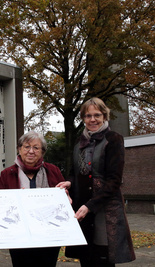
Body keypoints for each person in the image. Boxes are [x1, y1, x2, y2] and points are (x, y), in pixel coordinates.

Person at [57, 98, 135, 266]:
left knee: (103, 258)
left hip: (104, 210)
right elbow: (73, 172)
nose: (92, 119)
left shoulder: (113, 139)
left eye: (97, 115)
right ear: (83, 118)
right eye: (88, 115)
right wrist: (69, 182)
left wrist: (91, 205)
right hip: (82, 208)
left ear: (104, 116)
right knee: (86, 258)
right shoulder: (79, 142)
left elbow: (114, 180)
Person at [0, 131, 66, 267]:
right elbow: (2, 205)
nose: (31, 151)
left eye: (36, 148)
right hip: (19, 237)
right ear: (19, 149)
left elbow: (64, 200)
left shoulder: (53, 171)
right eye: (26, 147)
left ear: (42, 152)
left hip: (49, 236)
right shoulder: (7, 174)